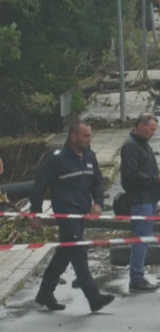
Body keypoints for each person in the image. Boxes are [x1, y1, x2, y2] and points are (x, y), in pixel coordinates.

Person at [29, 121, 116, 313]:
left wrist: (98, 203)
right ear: (73, 136)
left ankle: (44, 292)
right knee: (78, 251)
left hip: (82, 213)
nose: (89, 139)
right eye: (85, 136)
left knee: (65, 253)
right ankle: (94, 297)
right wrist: (35, 213)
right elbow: (39, 186)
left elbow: (97, 182)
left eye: (90, 135)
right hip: (66, 214)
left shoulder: (89, 156)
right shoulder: (56, 160)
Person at [120, 113, 160, 293]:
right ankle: (136, 278)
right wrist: (156, 179)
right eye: (151, 129)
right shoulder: (130, 147)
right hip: (139, 198)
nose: (153, 133)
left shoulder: (142, 145)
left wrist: (159, 177)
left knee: (144, 237)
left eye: (155, 130)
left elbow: (146, 171)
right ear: (140, 126)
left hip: (148, 197)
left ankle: (138, 275)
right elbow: (131, 175)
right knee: (141, 238)